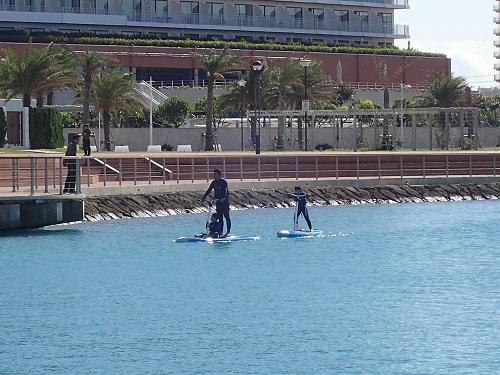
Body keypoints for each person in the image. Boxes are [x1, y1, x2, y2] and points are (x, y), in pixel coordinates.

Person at [201, 169, 231, 237]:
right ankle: (221, 233)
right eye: (213, 174)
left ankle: (228, 232)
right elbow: (209, 190)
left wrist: (221, 199)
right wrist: (204, 197)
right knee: (220, 218)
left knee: (226, 217)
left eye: (215, 174)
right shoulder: (214, 182)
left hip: (225, 202)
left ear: (219, 175)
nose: (214, 176)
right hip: (218, 203)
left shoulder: (224, 182)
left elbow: (225, 192)